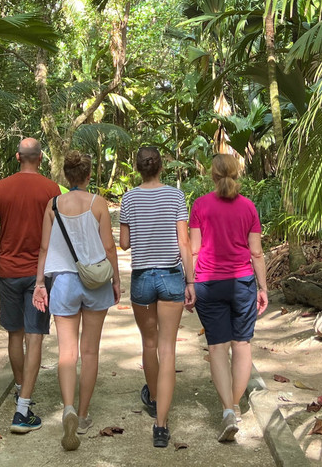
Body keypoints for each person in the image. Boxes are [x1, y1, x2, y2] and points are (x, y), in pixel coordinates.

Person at [32, 150, 120, 452]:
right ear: (88, 174)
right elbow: (109, 247)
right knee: (90, 352)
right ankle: (82, 416)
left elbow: (44, 248)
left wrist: (40, 284)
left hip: (65, 283)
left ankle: (68, 407)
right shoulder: (98, 203)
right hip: (95, 282)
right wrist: (116, 280)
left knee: (67, 353)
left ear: (66, 175)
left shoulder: (53, 204)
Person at [0, 138, 61, 434]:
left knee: (14, 334)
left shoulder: (1, 187)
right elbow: (59, 231)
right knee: (35, 336)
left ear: (18, 157)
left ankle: (19, 389)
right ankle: (23, 409)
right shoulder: (51, 189)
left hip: (9, 271)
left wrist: (4, 234)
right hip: (40, 272)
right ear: (40, 158)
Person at [189, 153, 268, 443]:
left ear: (212, 175)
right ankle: (235, 405)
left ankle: (226, 411)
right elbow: (256, 252)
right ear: (237, 174)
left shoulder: (200, 205)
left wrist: (189, 284)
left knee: (217, 348)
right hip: (242, 283)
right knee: (242, 345)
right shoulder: (248, 207)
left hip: (208, 283)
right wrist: (263, 288)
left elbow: (194, 250)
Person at [119, 146, 194, 448]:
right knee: (168, 349)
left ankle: (153, 397)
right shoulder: (176, 196)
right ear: (161, 167)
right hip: (171, 276)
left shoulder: (129, 198)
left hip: (142, 278)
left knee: (149, 344)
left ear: (137, 169)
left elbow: (124, 243)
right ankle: (161, 425)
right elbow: (184, 242)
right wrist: (191, 281)